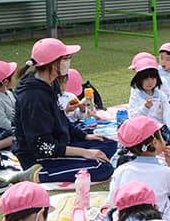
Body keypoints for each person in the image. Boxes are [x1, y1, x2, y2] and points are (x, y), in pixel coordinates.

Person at [13, 38, 116, 183]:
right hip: (39, 155)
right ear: (53, 63)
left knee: (109, 144)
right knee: (103, 168)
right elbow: (43, 146)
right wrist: (85, 152)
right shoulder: (34, 97)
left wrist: (84, 136)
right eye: (66, 58)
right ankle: (35, 175)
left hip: (60, 143)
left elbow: (61, 118)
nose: (69, 62)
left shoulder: (51, 83)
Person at [128, 54, 170, 144]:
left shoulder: (160, 95)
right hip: (143, 128)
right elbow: (134, 118)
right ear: (138, 79)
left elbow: (168, 112)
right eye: (145, 79)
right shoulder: (136, 96)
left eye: (153, 78)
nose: (150, 82)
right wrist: (145, 108)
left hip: (159, 126)